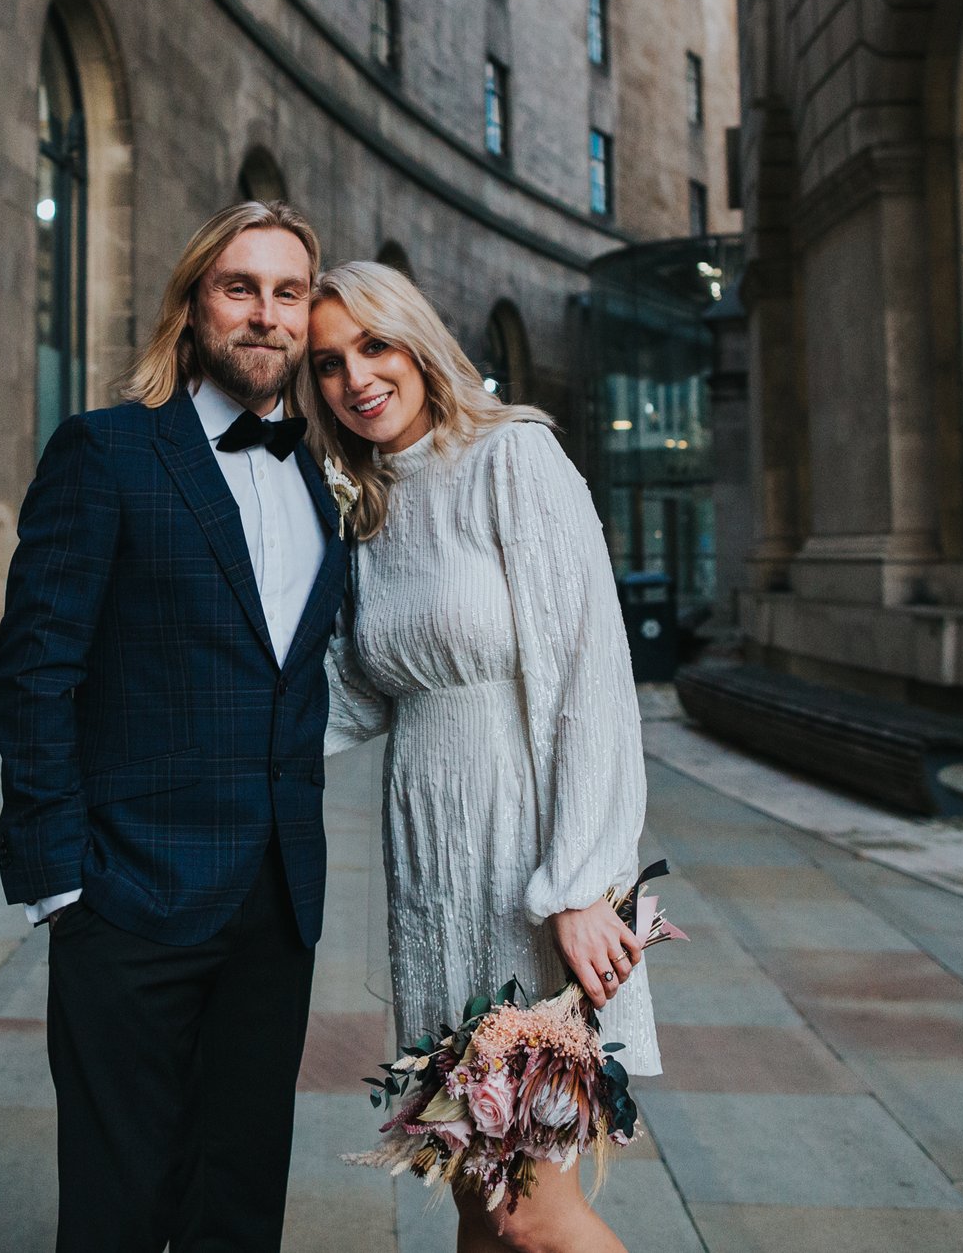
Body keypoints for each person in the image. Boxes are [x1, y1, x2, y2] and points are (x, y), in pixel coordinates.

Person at [0, 201, 348, 1253]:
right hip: (129, 893)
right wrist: (61, 878)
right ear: (194, 305)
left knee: (239, 1198)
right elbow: (35, 669)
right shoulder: (105, 451)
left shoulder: (321, 482)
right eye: (240, 287)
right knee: (119, 1203)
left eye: (287, 293)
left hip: (276, 900)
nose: (264, 314)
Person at [305, 261, 657, 1253]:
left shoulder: (511, 458)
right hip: (430, 870)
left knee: (533, 1207)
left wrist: (583, 880)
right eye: (328, 361)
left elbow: (591, 672)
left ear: (416, 341)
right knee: (475, 1188)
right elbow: (359, 693)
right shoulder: (366, 505)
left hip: (530, 869)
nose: (355, 376)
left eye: (373, 344)